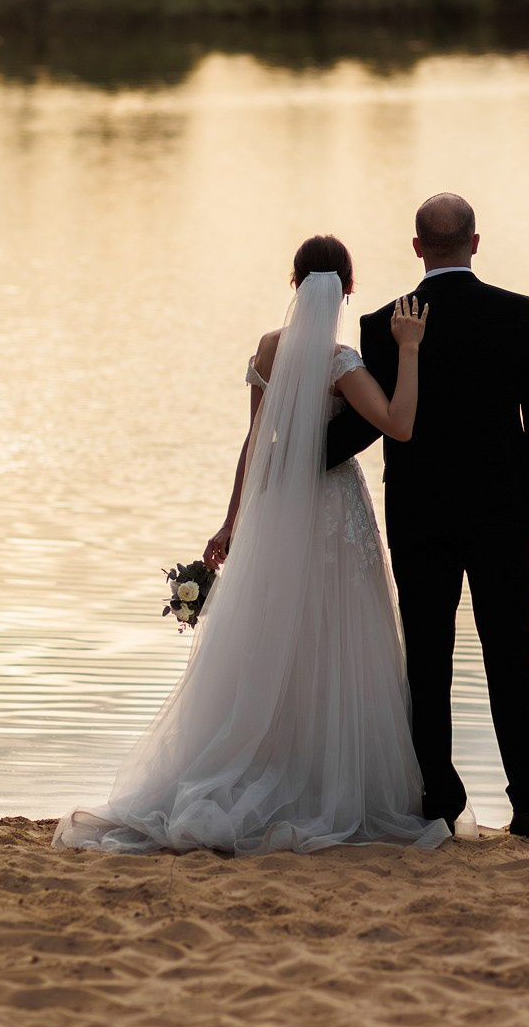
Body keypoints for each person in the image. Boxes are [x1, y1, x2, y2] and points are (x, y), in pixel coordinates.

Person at [54, 236, 462, 854]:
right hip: (332, 509)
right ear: (348, 289)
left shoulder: (269, 352)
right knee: (335, 640)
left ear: (293, 282)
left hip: (275, 510)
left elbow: (253, 444)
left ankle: (260, 760)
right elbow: (400, 424)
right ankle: (324, 781)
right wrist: (409, 351)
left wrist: (230, 523)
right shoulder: (340, 361)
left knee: (273, 635)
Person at [324, 193, 529, 843]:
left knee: (428, 657)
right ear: (476, 243)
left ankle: (439, 794)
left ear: (417, 247)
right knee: (513, 654)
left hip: (420, 515)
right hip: (504, 514)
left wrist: (298, 462)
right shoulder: (518, 314)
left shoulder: (383, 322)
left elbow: (372, 426)